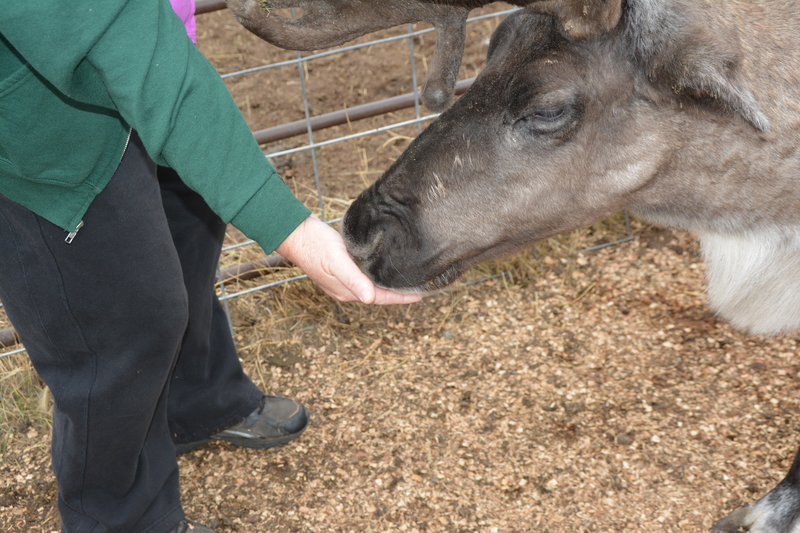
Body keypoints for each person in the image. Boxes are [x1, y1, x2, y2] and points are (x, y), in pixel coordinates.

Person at [0, 1, 420, 532]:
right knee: (119, 328)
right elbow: (108, 30)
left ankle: (194, 398)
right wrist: (290, 228)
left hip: (145, 46)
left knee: (190, 224)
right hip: (40, 133)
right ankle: (119, 519)